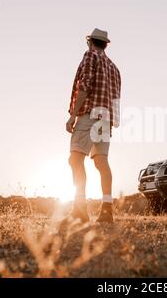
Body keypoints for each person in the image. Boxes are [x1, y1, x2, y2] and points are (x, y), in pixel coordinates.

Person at [66, 28, 121, 223]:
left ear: (90, 42)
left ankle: (80, 208)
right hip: (106, 117)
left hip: (89, 113)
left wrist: (73, 115)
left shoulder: (90, 56)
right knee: (101, 162)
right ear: (105, 44)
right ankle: (107, 209)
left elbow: (85, 86)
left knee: (75, 158)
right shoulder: (114, 67)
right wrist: (114, 121)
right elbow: (116, 98)